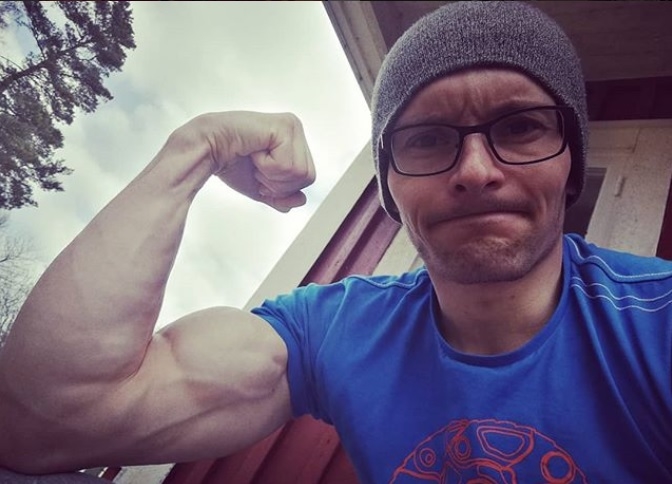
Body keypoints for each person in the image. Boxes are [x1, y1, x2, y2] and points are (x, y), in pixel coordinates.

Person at [0, 1, 670, 482]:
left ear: (571, 165)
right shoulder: (333, 331)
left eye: (521, 127)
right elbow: (50, 421)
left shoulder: (657, 322)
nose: (475, 171)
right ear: (391, 190)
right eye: (426, 139)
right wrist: (196, 146)